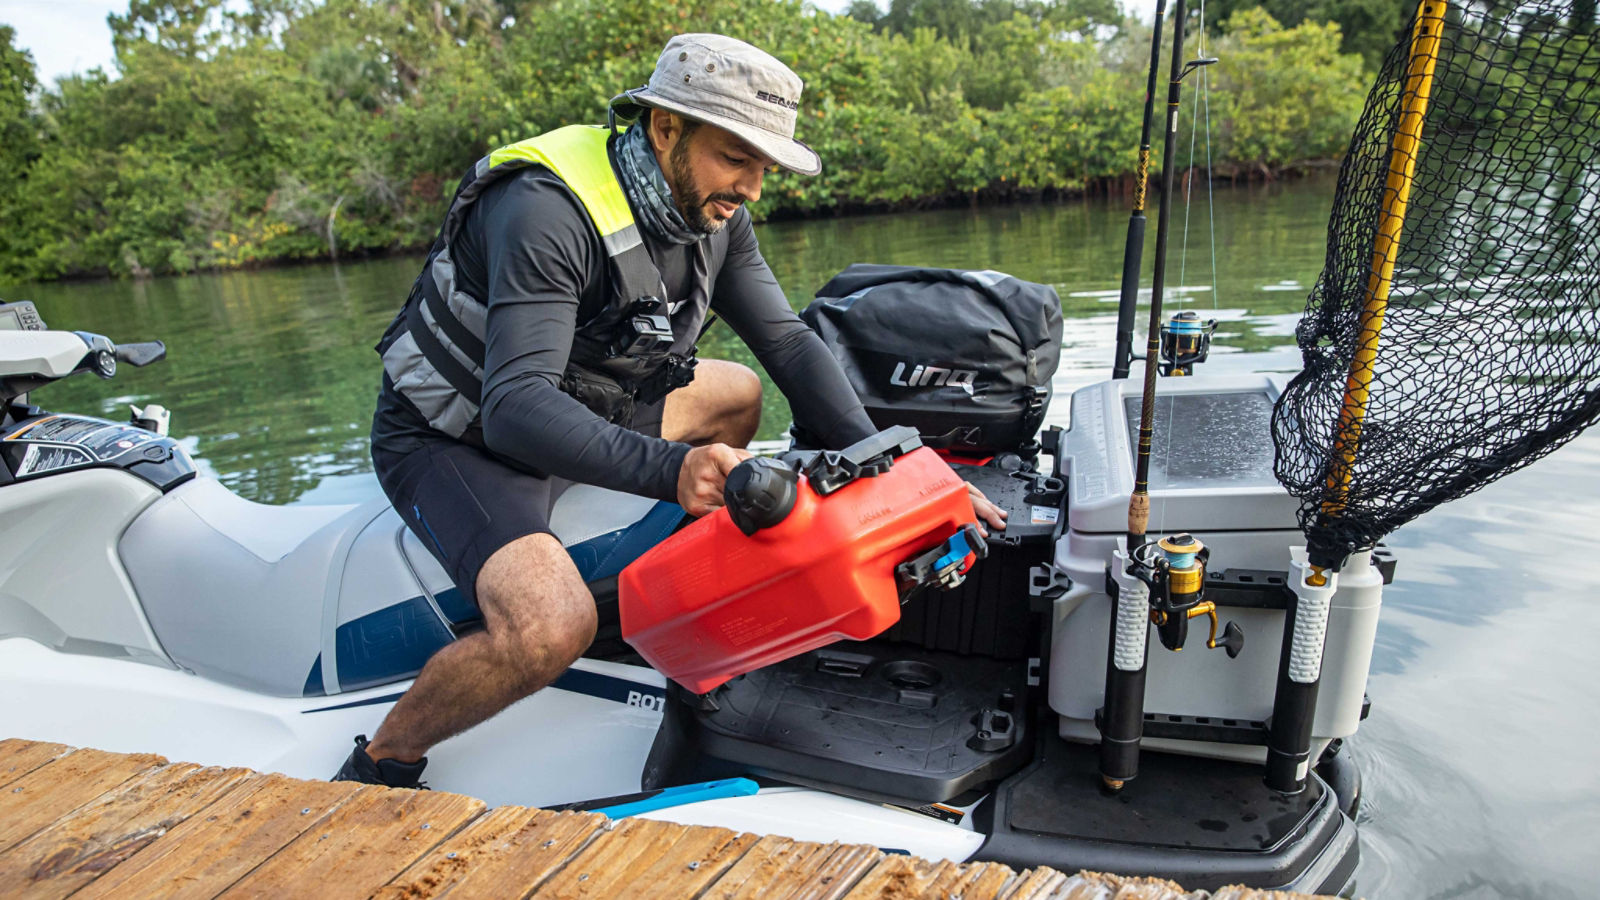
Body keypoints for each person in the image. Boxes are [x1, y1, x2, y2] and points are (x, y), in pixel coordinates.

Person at [337, 33, 1005, 787]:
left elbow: (787, 342)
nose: (753, 187)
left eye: (766, 167)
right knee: (550, 628)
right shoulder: (543, 212)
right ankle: (380, 761)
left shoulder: (713, 214)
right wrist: (674, 469)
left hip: (589, 407)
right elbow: (516, 406)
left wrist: (907, 472)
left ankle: (676, 617)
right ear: (664, 129)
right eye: (737, 158)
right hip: (462, 439)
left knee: (737, 393)